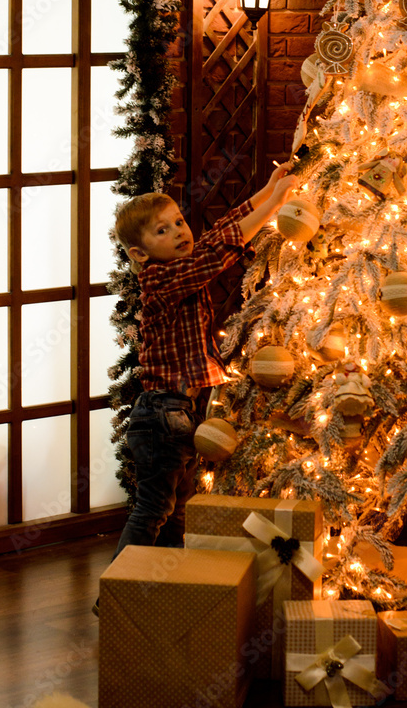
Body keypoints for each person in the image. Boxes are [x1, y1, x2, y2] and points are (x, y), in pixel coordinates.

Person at [92, 165, 297, 616]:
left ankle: (161, 589)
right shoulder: (162, 280)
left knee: (178, 508)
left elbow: (219, 234)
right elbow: (219, 252)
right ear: (140, 254)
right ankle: (115, 594)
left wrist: (267, 186)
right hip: (162, 415)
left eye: (178, 222)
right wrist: (277, 204)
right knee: (153, 507)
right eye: (162, 231)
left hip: (181, 410)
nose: (179, 233)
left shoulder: (180, 263)